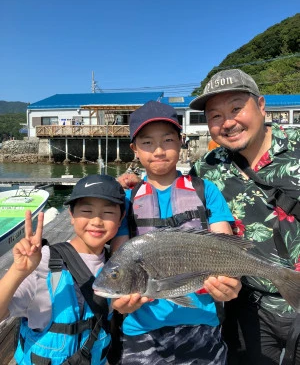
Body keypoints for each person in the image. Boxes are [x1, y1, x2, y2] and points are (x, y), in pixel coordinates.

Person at [113, 100, 241, 365]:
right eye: (147, 143)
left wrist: (231, 282)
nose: (158, 150)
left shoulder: (206, 191)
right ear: (134, 149)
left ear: (181, 142)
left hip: (202, 324)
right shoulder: (127, 200)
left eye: (168, 140)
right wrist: (118, 300)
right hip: (142, 330)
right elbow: (119, 263)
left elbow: (227, 250)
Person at [188, 69, 300, 365]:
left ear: (261, 106)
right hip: (249, 307)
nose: (228, 122)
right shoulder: (206, 169)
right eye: (215, 116)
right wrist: (126, 190)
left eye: (236, 108)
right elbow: (171, 196)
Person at [0, 174, 126, 365]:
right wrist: (18, 271)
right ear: (71, 216)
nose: (97, 221)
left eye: (108, 213)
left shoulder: (117, 266)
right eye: (86, 211)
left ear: (121, 219)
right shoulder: (44, 263)